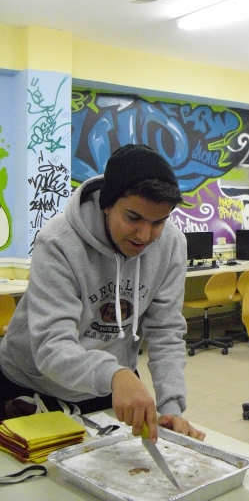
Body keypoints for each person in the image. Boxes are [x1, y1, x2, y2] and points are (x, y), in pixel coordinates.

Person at [0, 144, 204, 443]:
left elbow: (166, 330)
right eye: (133, 218)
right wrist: (115, 374)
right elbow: (52, 346)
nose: (144, 235)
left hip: (108, 384)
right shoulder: (58, 242)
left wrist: (171, 407)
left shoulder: (171, 245)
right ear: (107, 204)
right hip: (30, 385)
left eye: (158, 222)